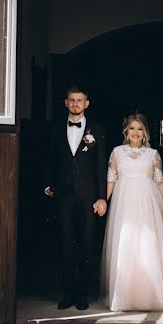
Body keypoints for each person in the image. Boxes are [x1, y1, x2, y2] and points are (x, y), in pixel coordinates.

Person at [100, 114, 163, 312]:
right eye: (132, 128)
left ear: (145, 132)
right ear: (125, 132)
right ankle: (125, 297)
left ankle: (153, 295)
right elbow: (111, 179)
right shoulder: (117, 152)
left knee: (148, 242)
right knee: (126, 243)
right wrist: (103, 200)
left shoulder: (153, 154)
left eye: (139, 129)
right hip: (124, 203)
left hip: (148, 202)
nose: (135, 132)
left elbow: (159, 180)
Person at [44, 86, 108, 311]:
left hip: (88, 196)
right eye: (71, 100)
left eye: (79, 100)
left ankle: (83, 293)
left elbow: (101, 167)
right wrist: (47, 185)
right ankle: (68, 292)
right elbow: (50, 159)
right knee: (65, 243)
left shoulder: (96, 129)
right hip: (64, 195)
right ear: (66, 103)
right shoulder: (55, 128)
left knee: (87, 244)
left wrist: (102, 197)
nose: (75, 104)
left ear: (86, 103)